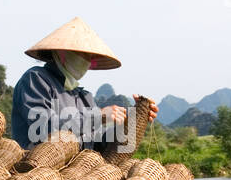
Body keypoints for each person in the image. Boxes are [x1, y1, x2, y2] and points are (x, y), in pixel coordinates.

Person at [11, 16, 159, 151]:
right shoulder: (36, 80)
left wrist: (133, 121)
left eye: (90, 57)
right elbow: (43, 130)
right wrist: (98, 117)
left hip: (76, 175)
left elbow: (100, 144)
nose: (87, 61)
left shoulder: (84, 97)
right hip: (36, 171)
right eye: (83, 54)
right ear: (62, 51)